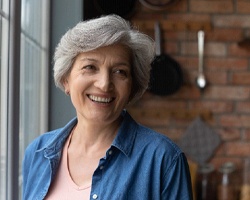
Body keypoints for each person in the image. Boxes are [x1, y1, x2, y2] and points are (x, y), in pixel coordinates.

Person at [22, 14, 193, 200]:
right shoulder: (37, 152)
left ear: (132, 87)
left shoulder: (164, 160)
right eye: (90, 67)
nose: (104, 84)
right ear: (66, 79)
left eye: (120, 72)